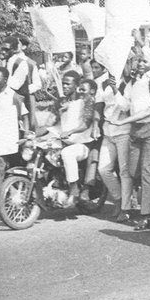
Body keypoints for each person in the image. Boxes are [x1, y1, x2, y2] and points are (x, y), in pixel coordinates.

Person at [111, 34, 150, 230]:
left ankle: (145, 215)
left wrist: (143, 45)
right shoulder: (133, 82)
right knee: (133, 171)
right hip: (136, 133)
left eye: (145, 61)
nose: (142, 64)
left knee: (146, 171)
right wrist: (115, 90)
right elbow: (125, 104)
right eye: (140, 61)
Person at [48, 71, 97, 207]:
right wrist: (33, 134)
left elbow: (86, 124)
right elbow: (51, 122)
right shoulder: (60, 101)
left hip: (83, 145)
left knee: (67, 153)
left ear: (76, 84)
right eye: (63, 83)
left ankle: (74, 189)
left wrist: (70, 131)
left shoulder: (85, 100)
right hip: (64, 142)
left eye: (67, 83)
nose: (64, 86)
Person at [97, 67, 133, 222]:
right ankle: (118, 199)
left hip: (124, 131)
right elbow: (100, 104)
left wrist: (116, 89)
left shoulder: (128, 81)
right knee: (103, 169)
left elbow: (126, 107)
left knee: (125, 172)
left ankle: (125, 208)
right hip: (108, 131)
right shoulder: (102, 80)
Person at [0, 67, 28, 193]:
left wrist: (26, 133)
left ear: (5, 80)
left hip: (7, 141)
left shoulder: (14, 97)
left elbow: (24, 116)